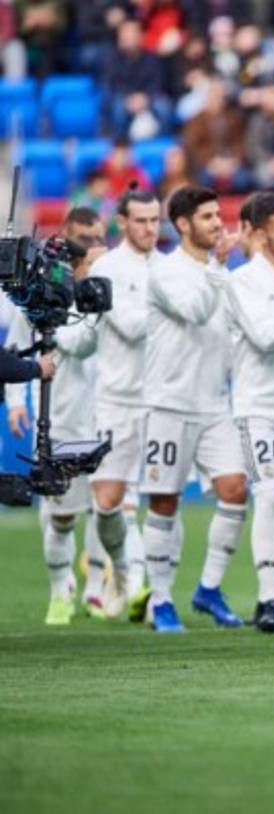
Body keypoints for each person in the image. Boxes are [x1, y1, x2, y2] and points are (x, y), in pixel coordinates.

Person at [140, 186, 248, 633]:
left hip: (214, 404)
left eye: (217, 216)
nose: (217, 224)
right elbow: (195, 312)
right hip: (170, 403)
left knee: (236, 489)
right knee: (165, 500)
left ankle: (208, 587)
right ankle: (162, 599)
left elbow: (234, 329)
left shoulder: (218, 272)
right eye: (206, 217)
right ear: (183, 224)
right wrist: (220, 266)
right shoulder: (165, 272)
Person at [6, 208, 96, 625]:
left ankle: (102, 586)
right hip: (61, 416)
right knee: (61, 513)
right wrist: (19, 402)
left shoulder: (100, 301)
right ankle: (62, 589)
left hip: (108, 415)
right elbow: (13, 352)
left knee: (113, 507)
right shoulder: (36, 305)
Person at [225, 190, 274, 634]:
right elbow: (265, 335)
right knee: (270, 496)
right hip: (258, 405)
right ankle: (269, 596)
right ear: (256, 234)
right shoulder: (243, 281)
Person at [88, 188, 161, 620]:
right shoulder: (106, 268)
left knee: (159, 499)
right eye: (141, 221)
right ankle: (120, 568)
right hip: (116, 399)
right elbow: (132, 327)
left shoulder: (170, 267)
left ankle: (146, 587)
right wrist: (174, 303)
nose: (150, 229)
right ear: (122, 222)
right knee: (108, 501)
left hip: (161, 400)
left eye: (155, 221)